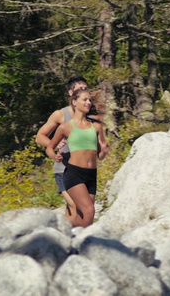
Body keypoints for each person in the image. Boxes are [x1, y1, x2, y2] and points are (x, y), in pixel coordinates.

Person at [46, 89, 109, 227]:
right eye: (84, 100)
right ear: (74, 102)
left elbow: (100, 155)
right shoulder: (65, 127)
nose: (88, 103)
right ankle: (86, 243)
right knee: (90, 211)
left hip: (91, 174)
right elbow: (49, 147)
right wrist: (54, 156)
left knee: (81, 217)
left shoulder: (96, 126)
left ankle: (68, 237)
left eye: (89, 100)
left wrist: (104, 151)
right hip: (74, 174)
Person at [36, 76, 88, 224]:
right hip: (63, 169)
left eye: (85, 89)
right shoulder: (61, 114)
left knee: (75, 209)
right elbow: (39, 137)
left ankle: (68, 237)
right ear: (71, 93)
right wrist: (55, 144)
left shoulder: (90, 113)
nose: (84, 92)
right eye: (80, 89)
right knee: (75, 204)